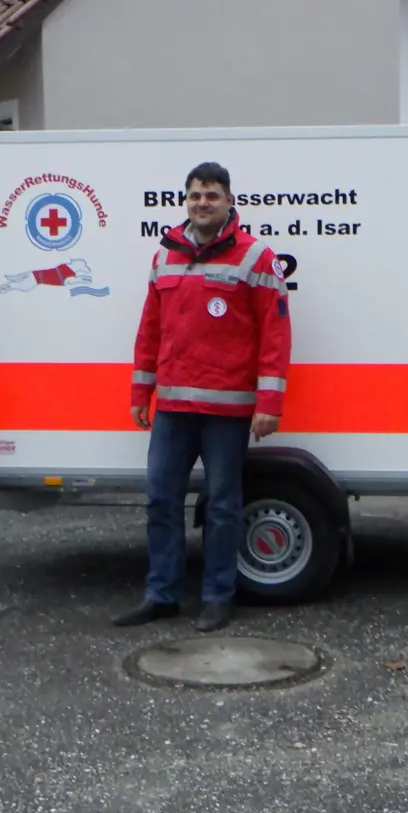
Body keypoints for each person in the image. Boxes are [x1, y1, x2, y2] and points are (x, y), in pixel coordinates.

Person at [114, 162, 292, 632]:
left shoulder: (256, 258)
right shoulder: (165, 257)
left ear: (230, 201)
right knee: (161, 503)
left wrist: (268, 405)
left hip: (227, 410)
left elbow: (275, 337)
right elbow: (149, 330)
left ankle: (217, 596)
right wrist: (141, 391)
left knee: (223, 506)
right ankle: (162, 594)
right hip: (172, 408)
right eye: (195, 195)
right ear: (186, 201)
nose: (202, 203)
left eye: (212, 195)